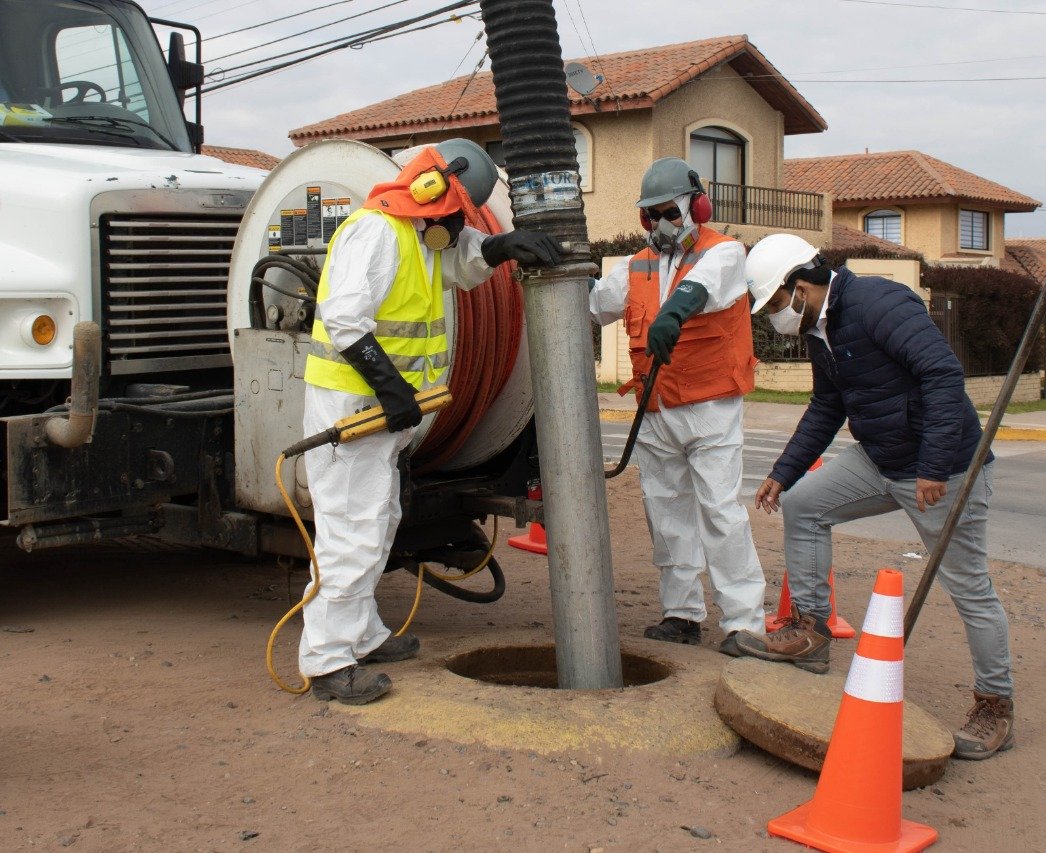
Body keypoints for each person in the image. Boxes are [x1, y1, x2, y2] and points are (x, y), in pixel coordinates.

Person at [732, 233, 1014, 760]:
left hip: (943, 469)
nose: (773, 316)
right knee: (803, 505)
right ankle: (810, 632)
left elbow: (943, 376)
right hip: (881, 458)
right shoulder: (822, 328)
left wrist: (933, 466)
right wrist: (784, 472)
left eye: (773, 303)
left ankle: (995, 705)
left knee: (970, 588)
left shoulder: (878, 303)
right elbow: (826, 406)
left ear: (800, 285)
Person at [300, 139, 561, 704]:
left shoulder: (420, 235)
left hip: (385, 411)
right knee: (351, 531)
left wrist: (503, 246)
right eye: (453, 211)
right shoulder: (376, 232)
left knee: (380, 520)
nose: (452, 224)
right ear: (431, 187)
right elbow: (344, 320)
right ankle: (327, 660)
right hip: (354, 406)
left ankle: (362, 633)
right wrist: (392, 388)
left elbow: (462, 263)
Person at [588, 157, 766, 654]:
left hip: (710, 408)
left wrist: (675, 312)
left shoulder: (726, 251)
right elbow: (595, 304)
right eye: (651, 215)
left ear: (696, 206)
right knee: (666, 516)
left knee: (719, 512)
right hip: (656, 408)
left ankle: (744, 623)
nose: (660, 224)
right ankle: (682, 614)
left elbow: (699, 288)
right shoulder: (635, 265)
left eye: (669, 212)